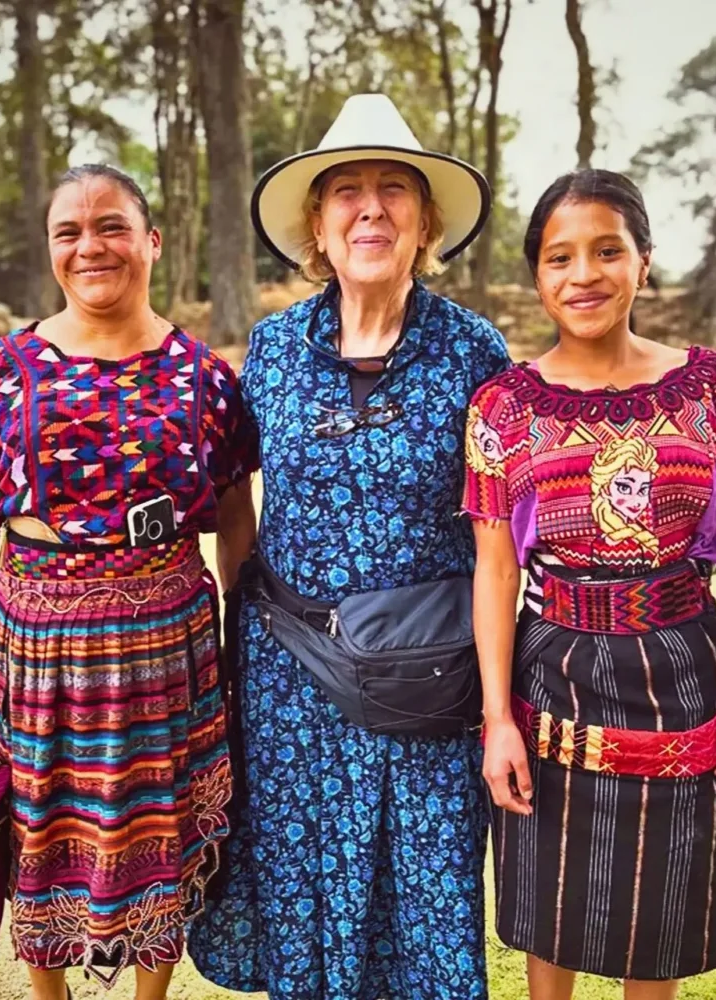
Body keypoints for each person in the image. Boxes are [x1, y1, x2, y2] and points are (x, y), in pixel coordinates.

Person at [0, 164, 259, 1000]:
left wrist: (243, 643)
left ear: (151, 242)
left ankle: (150, 995)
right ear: (51, 250)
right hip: (37, 657)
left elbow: (236, 517)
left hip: (170, 653)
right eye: (70, 232)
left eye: (112, 227)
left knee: (159, 828)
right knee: (40, 831)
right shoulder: (1, 373)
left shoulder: (204, 377)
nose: (91, 246)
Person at [187, 94, 511, 1000]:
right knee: (303, 880)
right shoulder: (275, 348)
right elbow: (230, 491)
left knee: (430, 890)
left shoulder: (474, 354)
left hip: (430, 681)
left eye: (394, 190)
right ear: (318, 229)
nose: (371, 208)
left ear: (425, 223)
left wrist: (496, 702)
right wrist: (238, 616)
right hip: (290, 676)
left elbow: (501, 537)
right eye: (348, 193)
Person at [464, 168, 716, 1000]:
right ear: (537, 277)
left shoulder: (708, 386)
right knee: (550, 895)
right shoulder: (504, 407)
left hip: (680, 666)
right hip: (554, 668)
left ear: (644, 262)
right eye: (559, 257)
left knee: (662, 905)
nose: (584, 275)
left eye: (608, 250)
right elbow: (495, 570)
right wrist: (496, 718)